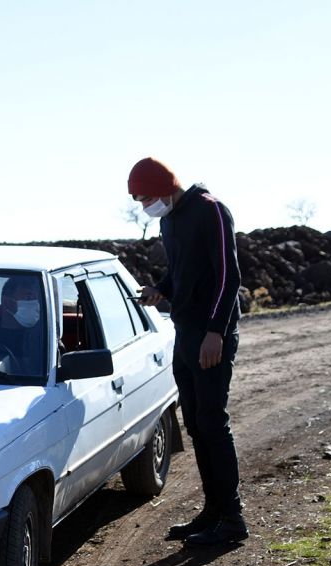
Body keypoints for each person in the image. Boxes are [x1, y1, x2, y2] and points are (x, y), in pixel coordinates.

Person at [128, 157, 247, 546]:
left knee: (213, 420)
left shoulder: (210, 210)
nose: (144, 205)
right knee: (195, 422)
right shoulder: (168, 219)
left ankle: (232, 519)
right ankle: (213, 511)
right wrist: (160, 289)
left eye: (145, 197)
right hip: (186, 331)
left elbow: (229, 277)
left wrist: (216, 331)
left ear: (165, 187)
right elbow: (181, 272)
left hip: (212, 334)